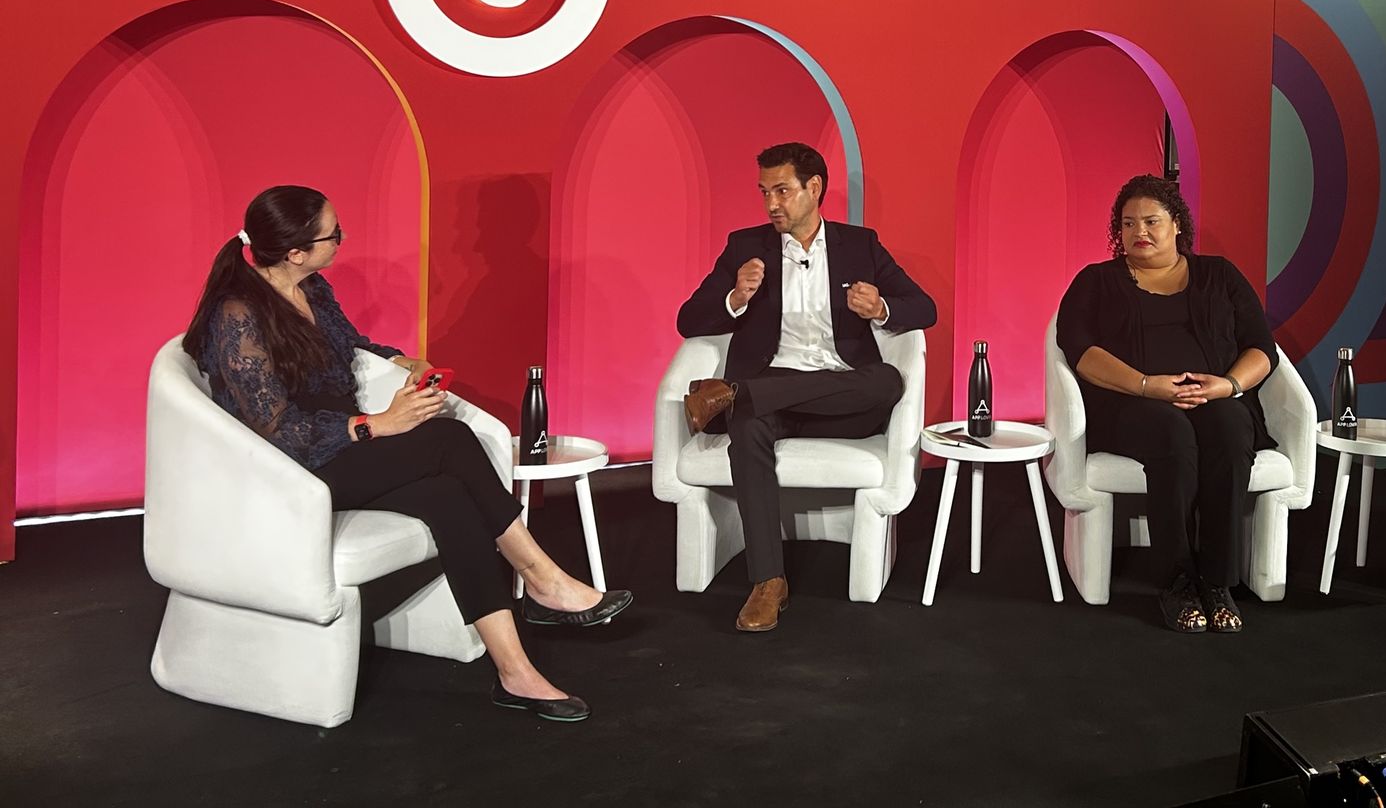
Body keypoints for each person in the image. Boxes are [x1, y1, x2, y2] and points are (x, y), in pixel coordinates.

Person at [183, 186, 631, 722]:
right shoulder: (237, 315)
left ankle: (516, 673)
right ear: (296, 252)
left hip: (344, 452)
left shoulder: (312, 287)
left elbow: (349, 346)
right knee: (448, 440)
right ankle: (541, 580)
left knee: (448, 497)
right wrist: (377, 424)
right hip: (294, 474)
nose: (342, 241)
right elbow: (278, 430)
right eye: (333, 235)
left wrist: (402, 361)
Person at [677, 143, 936, 632]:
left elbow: (925, 308)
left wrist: (882, 308)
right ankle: (767, 582)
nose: (771, 203)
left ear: (813, 188)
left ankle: (735, 393)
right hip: (774, 392)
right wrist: (735, 297)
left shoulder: (859, 246)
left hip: (843, 398)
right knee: (749, 426)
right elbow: (688, 320)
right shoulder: (745, 247)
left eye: (782, 190)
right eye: (764, 192)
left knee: (887, 380)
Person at [1056, 174, 1278, 634]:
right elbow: (1078, 350)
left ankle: (1216, 581)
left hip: (1213, 397)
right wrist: (1146, 385)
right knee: (1171, 432)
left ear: (1177, 223)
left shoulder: (1220, 275)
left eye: (1151, 221)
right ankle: (1176, 581)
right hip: (1131, 404)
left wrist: (1227, 386)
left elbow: (1261, 347)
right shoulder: (1096, 281)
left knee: (1231, 428)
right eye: (1128, 223)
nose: (1139, 231)